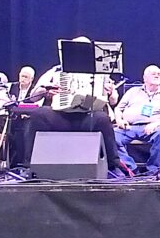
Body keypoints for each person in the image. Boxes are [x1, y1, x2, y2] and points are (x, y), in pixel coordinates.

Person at [19, 37, 124, 176]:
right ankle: (28, 166)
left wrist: (111, 92)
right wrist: (46, 89)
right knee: (39, 114)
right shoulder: (56, 70)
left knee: (103, 119)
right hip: (60, 116)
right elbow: (33, 97)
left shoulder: (100, 73)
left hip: (87, 117)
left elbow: (113, 101)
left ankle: (113, 166)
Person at [114, 65, 160, 175]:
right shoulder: (133, 92)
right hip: (129, 127)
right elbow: (118, 108)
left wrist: (156, 124)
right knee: (112, 135)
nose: (157, 76)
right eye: (154, 74)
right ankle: (131, 169)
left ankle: (154, 171)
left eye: (159, 74)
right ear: (145, 78)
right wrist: (119, 120)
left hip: (151, 128)